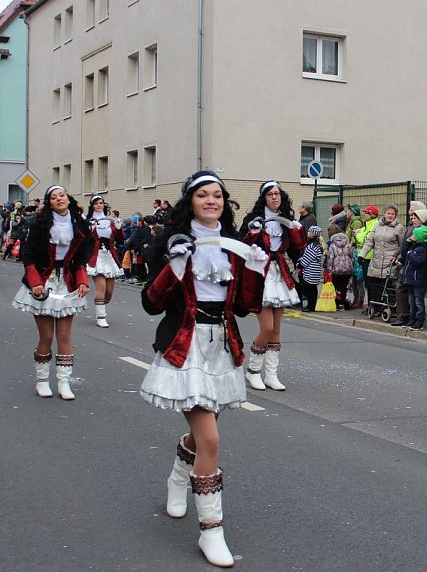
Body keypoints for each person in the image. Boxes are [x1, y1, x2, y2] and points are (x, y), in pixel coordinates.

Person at [138, 171, 266, 568]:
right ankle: (211, 531)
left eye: (217, 196)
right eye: (203, 195)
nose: (211, 201)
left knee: (201, 435)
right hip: (184, 346)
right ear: (189, 201)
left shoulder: (234, 247)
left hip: (223, 347)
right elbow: (151, 303)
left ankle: (179, 478)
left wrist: (257, 268)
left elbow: (245, 307)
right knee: (210, 440)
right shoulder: (172, 244)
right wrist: (175, 264)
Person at [11, 185, 92, 400]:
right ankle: (42, 381)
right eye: (54, 197)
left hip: (66, 282)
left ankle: (64, 383)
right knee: (46, 336)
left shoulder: (79, 224)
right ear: (50, 203)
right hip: (44, 280)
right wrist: (35, 283)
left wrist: (82, 281)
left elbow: (81, 259)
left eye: (62, 195)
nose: (59, 199)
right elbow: (27, 256)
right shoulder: (40, 225)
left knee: (65, 336)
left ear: (68, 198)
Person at [241, 180, 305, 391]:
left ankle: (271, 374)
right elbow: (242, 246)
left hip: (280, 273)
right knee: (266, 327)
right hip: (260, 273)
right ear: (264, 198)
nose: (274, 197)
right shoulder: (253, 219)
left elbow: (297, 250)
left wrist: (298, 232)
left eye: (277, 193)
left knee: (276, 328)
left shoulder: (287, 220)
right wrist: (253, 233)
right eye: (270, 194)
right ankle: (252, 372)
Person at [86, 195, 125, 328]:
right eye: (96, 203)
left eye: (101, 203)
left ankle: (101, 303)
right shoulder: (89, 221)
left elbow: (120, 241)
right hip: (95, 256)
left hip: (109, 255)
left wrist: (119, 228)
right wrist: (88, 230)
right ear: (92, 205)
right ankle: (101, 316)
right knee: (101, 287)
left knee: (109, 291)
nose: (99, 205)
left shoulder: (111, 221)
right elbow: (83, 240)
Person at [358, 204, 404, 318]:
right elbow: (369, 242)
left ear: (395, 216)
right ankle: (376, 307)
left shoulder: (398, 227)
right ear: (384, 214)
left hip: (390, 261)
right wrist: (362, 255)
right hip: (376, 260)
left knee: (389, 286)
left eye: (392, 214)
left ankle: (391, 308)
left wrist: (396, 256)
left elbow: (402, 245)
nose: (390, 216)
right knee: (374, 285)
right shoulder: (377, 225)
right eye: (388, 213)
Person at [391, 202, 427, 327]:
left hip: (415, 273)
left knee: (415, 298)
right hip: (408, 268)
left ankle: (411, 317)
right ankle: (408, 317)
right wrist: (400, 256)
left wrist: (407, 253)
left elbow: (414, 255)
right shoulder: (411, 227)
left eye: (413, 212)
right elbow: (403, 245)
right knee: (410, 297)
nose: (410, 214)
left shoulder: (421, 233)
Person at [401, 225, 427, 330]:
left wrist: (411, 254)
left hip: (417, 279)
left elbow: (419, 261)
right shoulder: (413, 246)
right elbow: (404, 253)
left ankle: (419, 320)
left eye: (414, 234)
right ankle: (412, 318)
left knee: (418, 301)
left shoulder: (422, 249)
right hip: (410, 278)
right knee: (411, 301)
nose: (412, 236)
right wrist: (407, 243)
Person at [296, 225, 325, 312]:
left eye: (309, 232)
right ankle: (311, 305)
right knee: (312, 288)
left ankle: (311, 306)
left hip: (310, 271)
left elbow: (307, 259)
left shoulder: (312, 246)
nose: (307, 233)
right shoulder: (315, 245)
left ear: (313, 234)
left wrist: (300, 264)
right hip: (314, 270)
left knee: (309, 289)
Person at [325, 228, 354, 310]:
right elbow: (352, 257)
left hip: (336, 268)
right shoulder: (348, 245)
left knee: (334, 286)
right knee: (344, 287)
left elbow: (330, 258)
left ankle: (335, 302)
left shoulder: (332, 245)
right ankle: (342, 303)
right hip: (347, 268)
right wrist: (350, 265)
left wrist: (329, 269)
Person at [345, 204, 365, 308]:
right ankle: (356, 299)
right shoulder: (351, 222)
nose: (346, 213)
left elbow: (355, 237)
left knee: (358, 278)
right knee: (354, 278)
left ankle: (359, 300)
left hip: (356, 251)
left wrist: (351, 244)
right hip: (352, 250)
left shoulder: (356, 222)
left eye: (348, 211)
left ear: (352, 212)